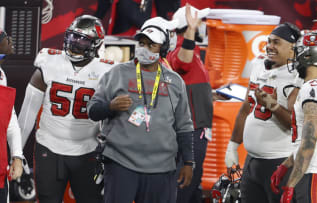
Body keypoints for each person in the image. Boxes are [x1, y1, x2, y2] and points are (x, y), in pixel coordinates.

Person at [87, 16, 194, 203]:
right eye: (141, 43)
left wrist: (188, 162)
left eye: (151, 45)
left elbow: (184, 126)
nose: (143, 49)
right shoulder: (116, 73)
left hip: (162, 168)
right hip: (121, 163)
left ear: (162, 49)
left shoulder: (175, 82)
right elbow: (93, 110)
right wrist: (110, 107)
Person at [17, 15, 115, 203]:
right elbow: (27, 115)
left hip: (87, 149)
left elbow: (113, 117)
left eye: (83, 40)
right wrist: (16, 153)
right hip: (49, 147)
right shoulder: (48, 63)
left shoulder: (107, 72)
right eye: (72, 37)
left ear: (96, 44)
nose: (75, 44)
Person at [224, 23, 301, 203]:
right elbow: (246, 107)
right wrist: (233, 145)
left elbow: (295, 124)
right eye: (268, 41)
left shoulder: (299, 75)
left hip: (280, 161)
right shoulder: (259, 65)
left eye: (276, 42)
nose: (269, 46)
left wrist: (273, 106)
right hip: (252, 161)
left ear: (293, 48)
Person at [271, 31, 317, 203]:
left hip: (314, 168)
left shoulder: (313, 89)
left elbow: (309, 142)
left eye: (298, 52)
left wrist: (291, 185)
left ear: (309, 55)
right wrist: (285, 166)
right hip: (314, 165)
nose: (295, 58)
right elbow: (305, 139)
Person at [166, 4, 213, 203]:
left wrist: (210, 95)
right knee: (184, 186)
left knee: (193, 189)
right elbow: (183, 62)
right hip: (191, 131)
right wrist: (192, 30)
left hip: (195, 128)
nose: (204, 25)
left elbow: (189, 82)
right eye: (200, 22)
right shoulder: (180, 48)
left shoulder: (190, 49)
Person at [0, 29, 23, 203]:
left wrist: (17, 155)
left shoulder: (1, 75)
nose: (10, 40)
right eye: (5, 37)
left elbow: (9, 118)